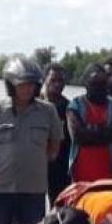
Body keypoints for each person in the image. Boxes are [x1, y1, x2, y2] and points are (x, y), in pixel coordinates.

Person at [0, 56, 64, 224]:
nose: (28, 89)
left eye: (32, 84)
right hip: (0, 190)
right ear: (10, 85)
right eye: (22, 84)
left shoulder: (48, 111)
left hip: (34, 192)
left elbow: (54, 148)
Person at [65, 63, 112, 184]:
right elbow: (78, 136)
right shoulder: (76, 105)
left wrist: (89, 130)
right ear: (86, 83)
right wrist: (106, 131)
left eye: (103, 83)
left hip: (111, 176)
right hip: (81, 176)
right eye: (94, 83)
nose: (99, 87)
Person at [43, 63, 71, 204]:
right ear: (44, 80)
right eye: (53, 80)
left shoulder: (69, 108)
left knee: (57, 205)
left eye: (61, 81)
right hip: (35, 164)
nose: (57, 84)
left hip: (59, 166)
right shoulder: (34, 104)